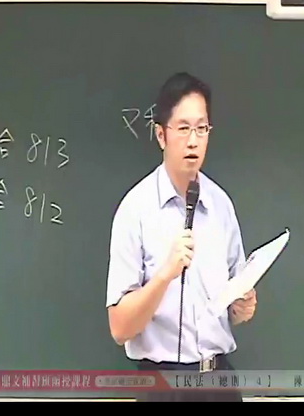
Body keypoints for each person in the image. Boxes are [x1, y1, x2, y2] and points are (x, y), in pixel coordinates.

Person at [106, 72, 257, 402]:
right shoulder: (136, 210)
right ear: (161, 134)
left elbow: (234, 306)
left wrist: (243, 306)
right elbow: (119, 328)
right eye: (183, 128)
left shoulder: (221, 206)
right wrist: (164, 275)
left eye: (201, 129)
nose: (193, 141)